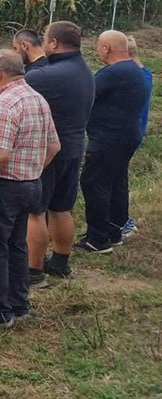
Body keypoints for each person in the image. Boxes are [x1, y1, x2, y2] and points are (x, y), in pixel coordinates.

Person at [0, 50, 59, 327]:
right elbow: (54, 145)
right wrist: (32, 170)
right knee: (16, 245)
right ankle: (18, 302)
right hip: (30, 184)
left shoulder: (4, 105)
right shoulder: (36, 99)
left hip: (0, 186)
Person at [24, 21, 94, 282]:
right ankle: (61, 263)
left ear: (53, 43)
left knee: (35, 211)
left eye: (44, 38)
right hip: (74, 147)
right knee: (62, 208)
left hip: (48, 152)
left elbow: (17, 86)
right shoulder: (84, 70)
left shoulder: (46, 75)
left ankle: (33, 269)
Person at [78, 30, 149, 253]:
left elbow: (86, 93)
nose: (98, 50)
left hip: (109, 138)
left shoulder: (115, 72)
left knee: (94, 182)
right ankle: (113, 230)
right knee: (116, 182)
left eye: (99, 46)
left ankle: (97, 238)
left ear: (106, 48)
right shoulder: (134, 69)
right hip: (127, 135)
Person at [116, 35, 153, 239]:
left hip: (125, 136)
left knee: (117, 179)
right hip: (134, 134)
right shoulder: (144, 74)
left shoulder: (133, 78)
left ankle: (122, 222)